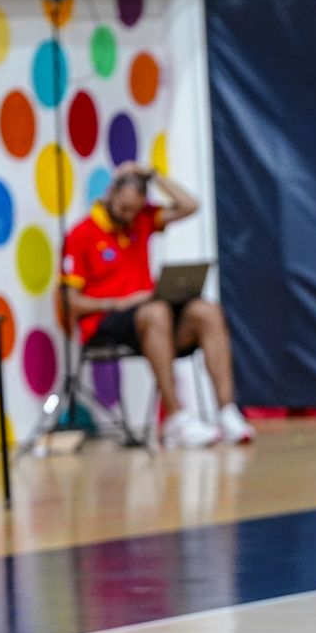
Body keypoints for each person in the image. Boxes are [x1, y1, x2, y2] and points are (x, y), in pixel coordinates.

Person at [61, 163, 254, 448]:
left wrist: (151, 174)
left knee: (206, 311)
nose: (129, 216)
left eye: (135, 210)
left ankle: (227, 412)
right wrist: (118, 302)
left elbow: (190, 205)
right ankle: (176, 419)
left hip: (151, 317)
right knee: (156, 312)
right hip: (107, 319)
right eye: (124, 208)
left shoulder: (142, 219)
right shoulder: (82, 233)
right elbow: (70, 303)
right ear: (110, 193)